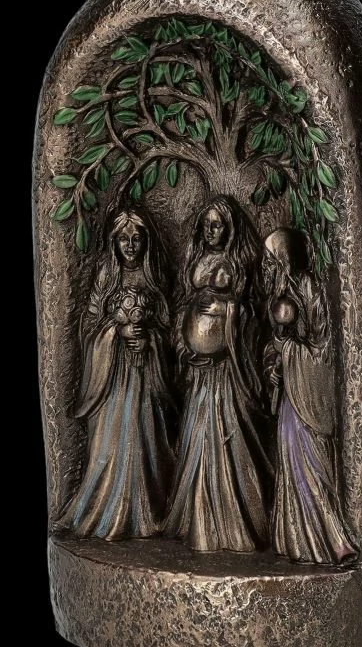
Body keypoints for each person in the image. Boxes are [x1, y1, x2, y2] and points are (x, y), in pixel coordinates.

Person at [164, 196, 272, 552]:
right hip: (198, 373)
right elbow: (183, 308)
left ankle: (233, 522)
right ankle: (197, 518)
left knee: (228, 434)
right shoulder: (195, 259)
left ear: (230, 228)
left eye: (219, 224)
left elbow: (253, 314)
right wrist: (187, 345)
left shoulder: (237, 264)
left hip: (227, 371)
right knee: (197, 436)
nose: (212, 230)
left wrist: (229, 311)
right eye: (207, 224)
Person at [59, 209, 175, 540]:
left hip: (145, 373)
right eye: (124, 239)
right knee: (114, 439)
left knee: (145, 436)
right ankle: (107, 510)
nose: (130, 245)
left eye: (136, 239)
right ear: (114, 242)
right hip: (112, 376)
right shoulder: (107, 275)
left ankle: (146, 511)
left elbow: (167, 327)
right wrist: (115, 333)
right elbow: (89, 325)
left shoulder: (153, 277)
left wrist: (150, 340)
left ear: (146, 242)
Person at [263, 229, 358, 565]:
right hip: (290, 396)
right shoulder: (277, 292)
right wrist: (275, 364)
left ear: (284, 258)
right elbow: (274, 343)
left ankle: (333, 540)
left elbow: (321, 347)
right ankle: (296, 538)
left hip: (308, 392)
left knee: (312, 465)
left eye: (271, 260)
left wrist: (288, 351)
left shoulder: (307, 286)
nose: (267, 267)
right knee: (290, 460)